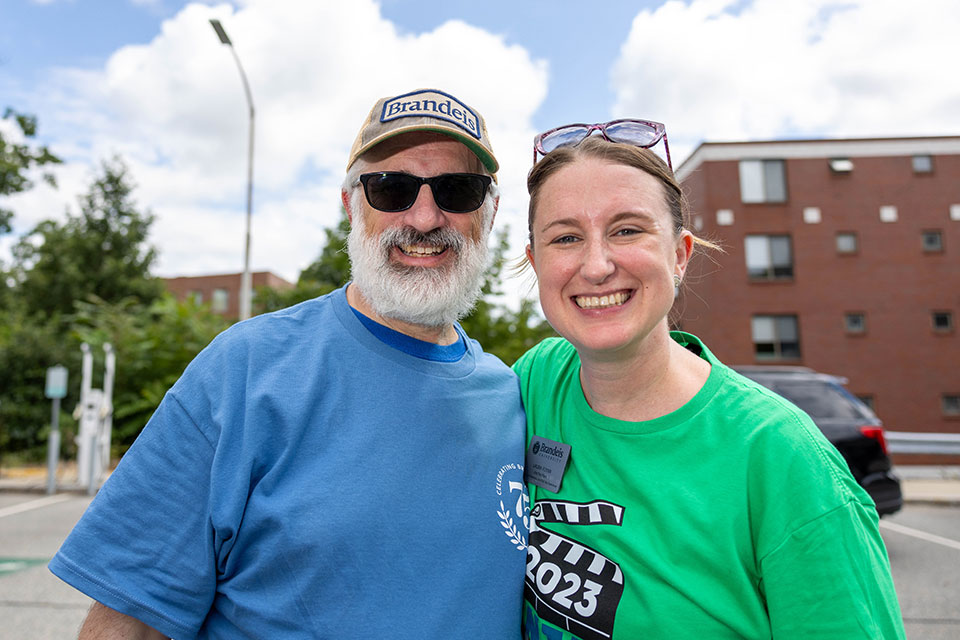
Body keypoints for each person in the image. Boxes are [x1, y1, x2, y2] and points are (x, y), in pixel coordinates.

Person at [49, 88, 530, 639]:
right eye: (391, 188)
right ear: (351, 206)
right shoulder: (244, 371)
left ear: (488, 215)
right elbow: (127, 624)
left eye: (458, 190)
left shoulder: (513, 397)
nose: (424, 218)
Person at [514, 124, 906, 639]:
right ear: (535, 261)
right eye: (566, 238)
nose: (596, 266)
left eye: (627, 230)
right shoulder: (538, 381)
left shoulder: (782, 459)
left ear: (680, 255)